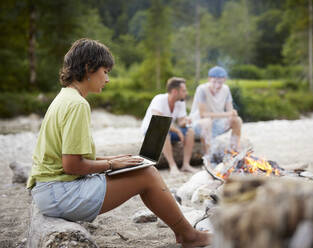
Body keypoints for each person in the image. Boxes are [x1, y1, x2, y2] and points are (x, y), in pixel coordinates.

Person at [26, 38, 210, 248]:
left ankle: (186, 233)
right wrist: (111, 165)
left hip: (49, 190)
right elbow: (72, 165)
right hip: (58, 194)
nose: (108, 79)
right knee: (147, 174)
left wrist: (115, 159)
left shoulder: (65, 97)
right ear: (88, 68)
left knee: (141, 170)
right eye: (105, 71)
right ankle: (189, 236)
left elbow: (72, 157)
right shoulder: (78, 105)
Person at [141, 77, 198, 174]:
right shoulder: (159, 99)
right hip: (152, 130)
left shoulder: (180, 103)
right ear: (175, 91)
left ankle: (186, 165)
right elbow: (158, 121)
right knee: (164, 130)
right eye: (184, 91)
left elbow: (181, 122)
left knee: (190, 131)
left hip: (168, 130)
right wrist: (177, 131)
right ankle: (172, 165)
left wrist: (186, 121)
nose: (186, 93)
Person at [190, 66, 242, 154]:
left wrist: (233, 113)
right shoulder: (202, 89)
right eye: (214, 82)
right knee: (207, 122)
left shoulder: (226, 89)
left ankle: (234, 150)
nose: (217, 86)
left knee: (237, 120)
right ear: (209, 79)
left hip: (217, 123)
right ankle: (208, 156)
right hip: (199, 123)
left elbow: (230, 110)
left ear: (224, 80)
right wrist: (227, 114)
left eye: (220, 82)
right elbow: (202, 114)